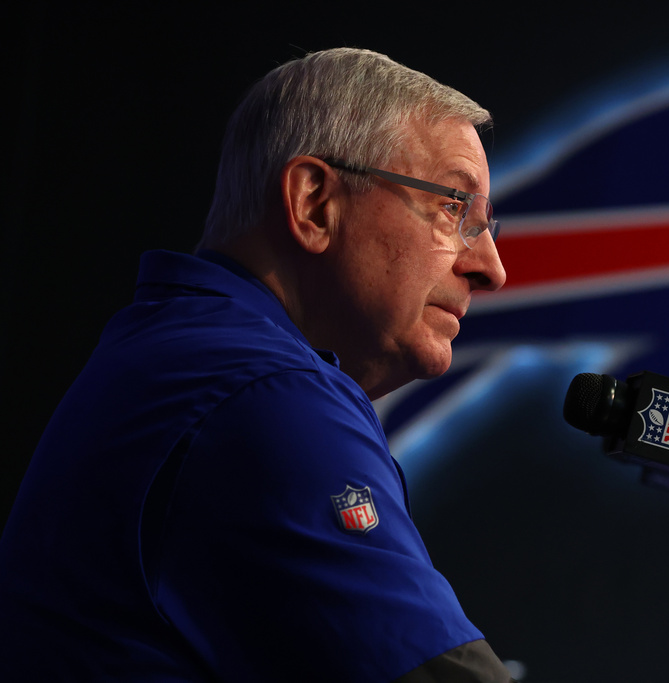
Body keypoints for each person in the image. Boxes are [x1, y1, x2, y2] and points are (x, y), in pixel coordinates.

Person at [0, 47, 512, 682]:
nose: (491, 268)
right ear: (314, 203)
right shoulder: (261, 392)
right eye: (453, 209)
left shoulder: (182, 355)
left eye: (487, 225)